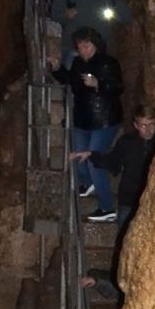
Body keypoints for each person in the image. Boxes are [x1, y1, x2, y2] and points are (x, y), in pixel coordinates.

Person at [49, 28, 123, 222]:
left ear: (95, 44)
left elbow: (118, 87)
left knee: (93, 161)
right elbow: (70, 81)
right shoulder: (77, 63)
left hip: (104, 120)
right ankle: (88, 182)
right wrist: (57, 68)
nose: (83, 50)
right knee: (78, 159)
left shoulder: (108, 62)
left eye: (86, 45)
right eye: (79, 46)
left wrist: (98, 84)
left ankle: (107, 208)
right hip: (82, 119)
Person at [80, 104, 155, 233]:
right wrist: (91, 155)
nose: (148, 129)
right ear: (136, 125)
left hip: (152, 199)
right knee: (124, 237)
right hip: (128, 199)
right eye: (144, 125)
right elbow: (112, 162)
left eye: (152, 124)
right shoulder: (127, 142)